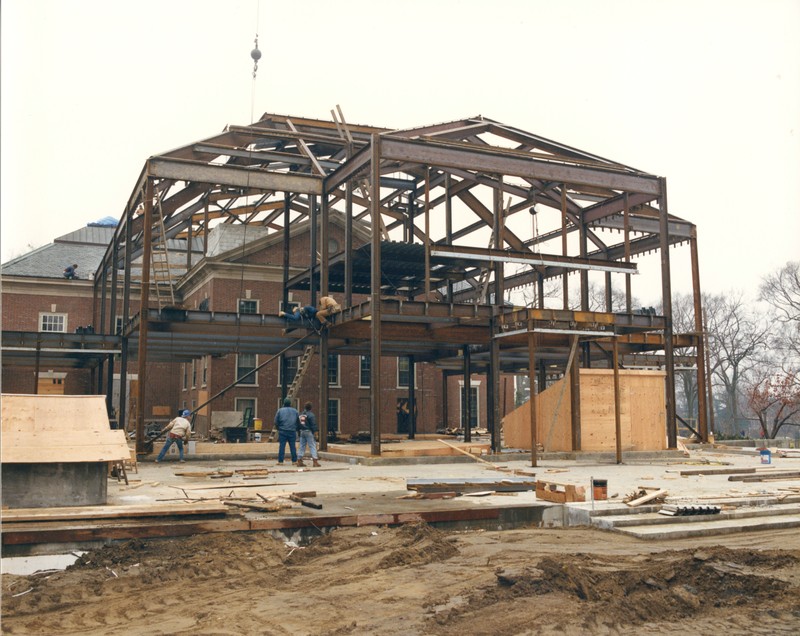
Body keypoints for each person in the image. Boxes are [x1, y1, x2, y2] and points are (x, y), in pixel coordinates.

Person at [273, 397, 299, 465]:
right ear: (290, 404)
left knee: (282, 446)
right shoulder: (295, 411)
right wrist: (296, 428)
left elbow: (276, 421)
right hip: (292, 431)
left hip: (282, 431)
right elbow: (298, 421)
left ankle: (280, 461)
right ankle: (294, 460)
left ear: (283, 403)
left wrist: (279, 428)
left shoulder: (280, 411)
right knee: (292, 446)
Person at [296, 401, 321, 467]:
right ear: (311, 408)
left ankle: (299, 460)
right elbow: (313, 425)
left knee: (302, 446)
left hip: (302, 431)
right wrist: (315, 432)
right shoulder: (311, 415)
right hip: (309, 431)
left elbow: (298, 424)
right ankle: (315, 461)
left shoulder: (300, 414)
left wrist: (298, 431)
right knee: (312, 446)